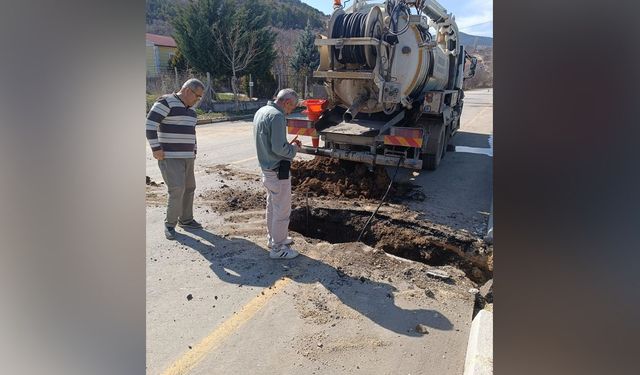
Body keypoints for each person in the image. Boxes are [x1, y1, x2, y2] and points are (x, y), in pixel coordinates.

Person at [146, 78, 205, 240]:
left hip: (187, 157)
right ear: (187, 91)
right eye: (197, 96)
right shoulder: (166, 102)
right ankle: (170, 224)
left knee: (189, 188)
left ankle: (186, 220)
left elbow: (192, 133)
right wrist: (156, 148)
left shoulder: (191, 111)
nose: (197, 100)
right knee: (177, 189)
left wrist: (194, 150)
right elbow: (150, 125)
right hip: (170, 157)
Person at [253, 89, 302, 259]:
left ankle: (273, 238)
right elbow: (279, 148)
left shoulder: (262, 111)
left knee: (272, 206)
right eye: (292, 107)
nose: (291, 111)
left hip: (267, 168)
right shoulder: (277, 116)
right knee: (282, 210)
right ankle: (278, 248)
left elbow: (271, 143)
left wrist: (286, 146)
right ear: (287, 102)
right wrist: (294, 149)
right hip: (277, 170)